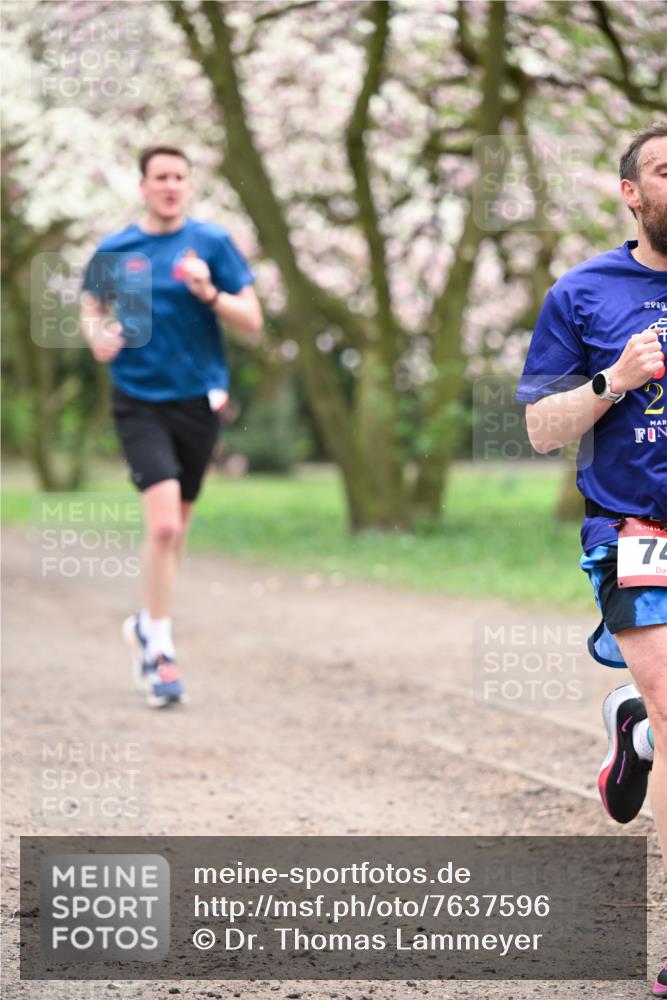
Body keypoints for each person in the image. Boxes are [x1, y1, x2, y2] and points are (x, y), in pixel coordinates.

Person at [516, 122, 666, 996]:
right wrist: (613, 378)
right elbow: (539, 429)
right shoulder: (582, 293)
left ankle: (637, 732)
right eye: (664, 169)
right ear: (630, 193)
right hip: (633, 530)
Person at [80, 144, 262, 708]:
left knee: (176, 529)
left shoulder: (211, 245)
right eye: (160, 177)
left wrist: (210, 293)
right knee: (162, 527)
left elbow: (252, 322)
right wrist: (97, 336)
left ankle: (145, 622)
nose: (170, 185)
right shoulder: (117, 249)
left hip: (198, 402)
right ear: (143, 186)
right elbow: (91, 306)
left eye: (179, 177)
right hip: (138, 401)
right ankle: (159, 646)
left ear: (188, 185)